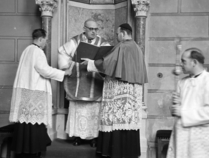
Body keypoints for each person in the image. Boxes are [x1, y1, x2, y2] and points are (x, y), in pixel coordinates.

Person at [81, 23, 148, 158]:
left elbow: (107, 63)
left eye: (117, 34)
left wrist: (91, 63)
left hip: (118, 90)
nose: (117, 36)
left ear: (123, 33)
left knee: (115, 120)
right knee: (127, 122)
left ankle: (113, 153)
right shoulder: (137, 48)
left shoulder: (122, 46)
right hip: (132, 93)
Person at [9, 29, 72, 158]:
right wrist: (63, 73)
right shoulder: (37, 51)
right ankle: (33, 151)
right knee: (34, 123)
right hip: (34, 93)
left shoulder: (27, 50)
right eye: (45, 40)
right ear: (41, 39)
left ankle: (24, 150)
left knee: (26, 123)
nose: (46, 43)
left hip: (27, 92)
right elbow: (44, 70)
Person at [167, 48, 209, 158]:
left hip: (202, 143)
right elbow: (177, 111)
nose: (181, 65)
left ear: (194, 62)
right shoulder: (182, 82)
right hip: (183, 140)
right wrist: (175, 106)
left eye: (184, 61)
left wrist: (182, 112)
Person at [58, 18, 111, 146]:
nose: (93, 32)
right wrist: (67, 65)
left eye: (95, 29)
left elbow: (108, 60)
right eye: (91, 29)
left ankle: (93, 137)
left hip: (94, 80)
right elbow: (62, 53)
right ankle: (77, 136)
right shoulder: (75, 41)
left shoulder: (103, 43)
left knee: (93, 111)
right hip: (78, 79)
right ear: (84, 29)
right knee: (78, 109)